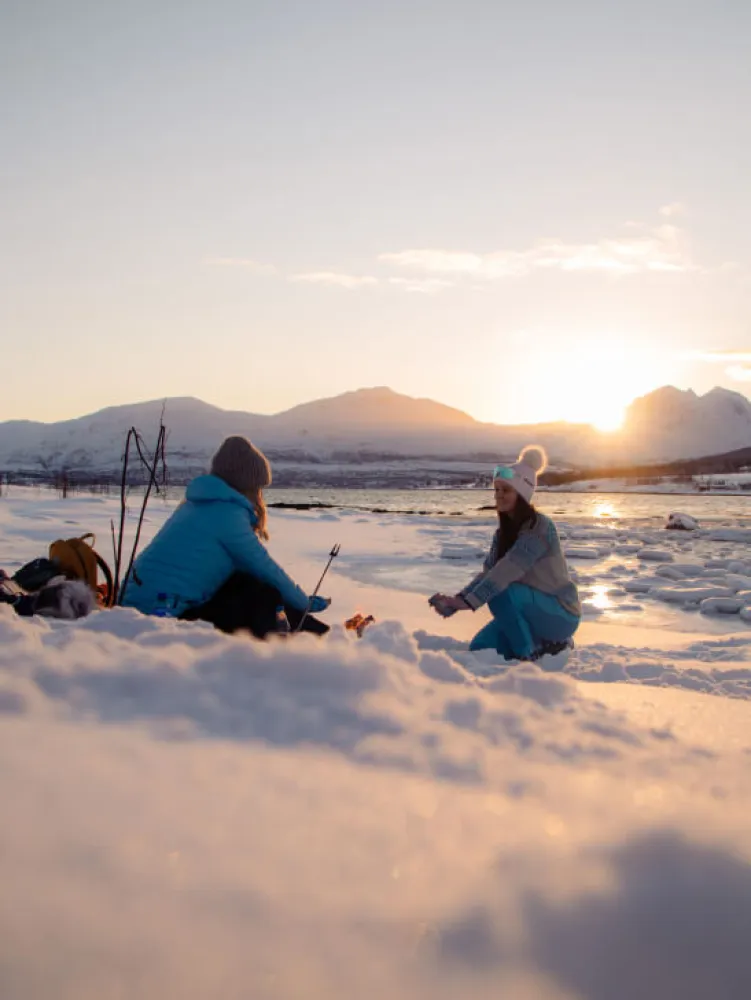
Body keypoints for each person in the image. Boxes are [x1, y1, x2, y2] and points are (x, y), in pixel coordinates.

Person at [121, 436, 330, 637]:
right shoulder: (227, 516)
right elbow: (267, 569)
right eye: (258, 487)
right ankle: (315, 640)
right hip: (164, 617)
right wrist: (304, 603)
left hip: (137, 611)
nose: (260, 495)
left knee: (242, 582)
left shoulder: (195, 506)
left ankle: (314, 635)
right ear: (247, 485)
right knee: (263, 593)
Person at [429, 446, 580, 660]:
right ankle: (546, 643)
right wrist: (457, 601)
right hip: (528, 612)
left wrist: (469, 602)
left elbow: (505, 573)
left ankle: (530, 654)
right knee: (481, 648)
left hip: (560, 613)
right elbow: (488, 574)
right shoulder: (503, 534)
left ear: (522, 494)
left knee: (501, 590)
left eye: (506, 490)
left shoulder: (540, 528)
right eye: (496, 489)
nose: (498, 495)